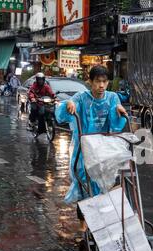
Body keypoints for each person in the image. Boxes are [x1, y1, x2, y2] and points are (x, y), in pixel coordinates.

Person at [55, 65, 128, 232]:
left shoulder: (112, 98)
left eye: (104, 82)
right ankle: (84, 225)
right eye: (97, 82)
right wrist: (68, 104)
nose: (101, 86)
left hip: (104, 148)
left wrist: (119, 111)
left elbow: (116, 125)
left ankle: (104, 221)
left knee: (106, 186)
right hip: (84, 150)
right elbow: (63, 111)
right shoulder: (82, 98)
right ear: (90, 82)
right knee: (85, 187)